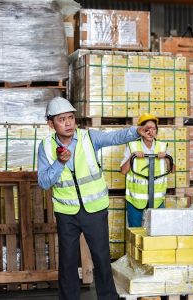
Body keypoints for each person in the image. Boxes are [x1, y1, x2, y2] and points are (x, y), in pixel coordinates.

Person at [37, 97, 153, 300]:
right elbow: (44, 182)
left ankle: (108, 297)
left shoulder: (88, 138)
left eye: (71, 118)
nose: (68, 123)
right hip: (66, 213)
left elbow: (115, 137)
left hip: (95, 208)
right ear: (51, 124)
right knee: (68, 261)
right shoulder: (45, 147)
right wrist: (59, 163)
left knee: (101, 258)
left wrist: (136, 131)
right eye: (62, 119)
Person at [120, 113, 174, 227]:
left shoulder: (163, 146)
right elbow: (123, 171)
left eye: (153, 128)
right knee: (136, 234)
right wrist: (132, 156)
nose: (151, 132)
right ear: (141, 130)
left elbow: (173, 170)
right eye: (147, 129)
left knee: (158, 232)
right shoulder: (132, 146)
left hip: (157, 200)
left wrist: (166, 158)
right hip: (135, 200)